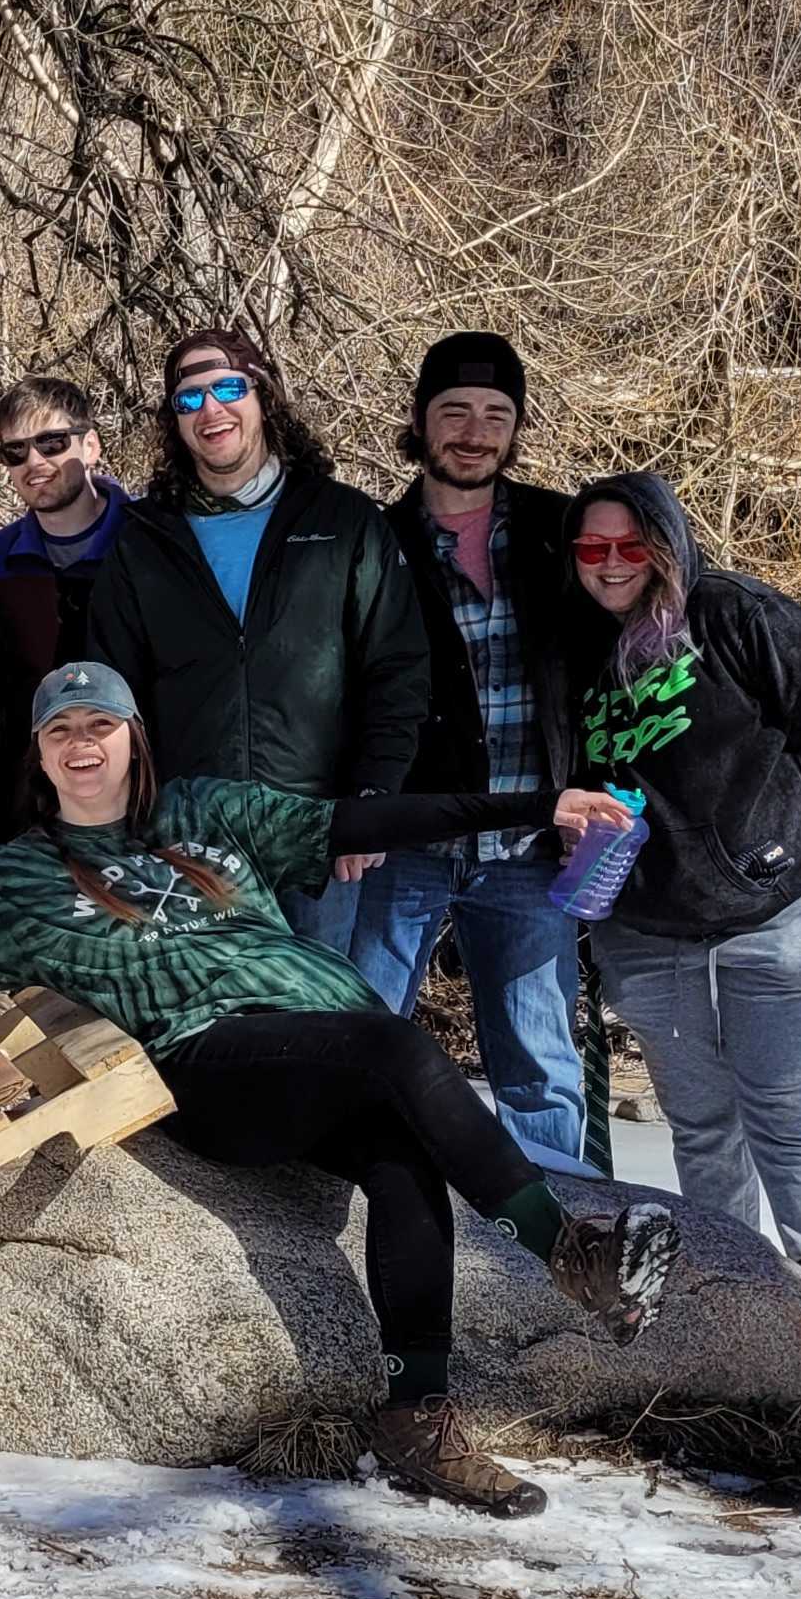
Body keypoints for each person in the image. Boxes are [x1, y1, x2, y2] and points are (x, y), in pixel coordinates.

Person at [0, 664, 679, 1519]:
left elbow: (369, 815)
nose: (83, 742)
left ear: (136, 738)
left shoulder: (208, 814)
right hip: (212, 1063)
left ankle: (415, 1417)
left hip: (317, 1046)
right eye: (62, 729)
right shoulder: (20, 879)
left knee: (401, 1158)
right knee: (404, 1057)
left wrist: (536, 803)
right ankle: (567, 1250)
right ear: (42, 753)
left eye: (102, 723)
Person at [569, 472, 801, 1350]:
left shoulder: (733, 616)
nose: (609, 566)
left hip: (783, 915)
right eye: (590, 549)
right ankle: (740, 1322)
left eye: (629, 547)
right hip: (649, 931)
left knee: (789, 1119)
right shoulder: (575, 645)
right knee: (705, 1129)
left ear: (667, 545)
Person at [85, 329, 428, 944]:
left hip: (316, 836)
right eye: (188, 400)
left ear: (263, 397)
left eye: (227, 389)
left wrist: (370, 802)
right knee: (211, 1033)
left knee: (320, 1030)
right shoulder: (145, 540)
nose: (210, 410)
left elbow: (396, 670)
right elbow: (112, 693)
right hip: (190, 842)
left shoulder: (344, 521)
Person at [341, 332, 592, 1169]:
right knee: (358, 1037)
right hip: (404, 845)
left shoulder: (568, 532)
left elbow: (639, 661)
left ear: (516, 428)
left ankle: (557, 1254)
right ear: (420, 421)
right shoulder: (372, 541)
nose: (475, 431)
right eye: (454, 411)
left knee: (542, 1066)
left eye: (496, 414)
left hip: (532, 848)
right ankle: (346, 1215)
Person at [0, 375, 131, 826]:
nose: (34, 462)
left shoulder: (149, 542)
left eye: (52, 442)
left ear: (91, 445)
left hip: (140, 808)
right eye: (15, 451)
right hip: (31, 813)